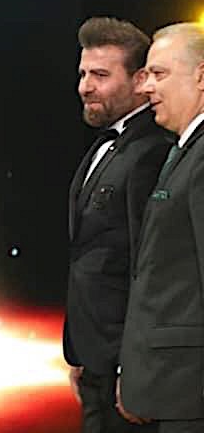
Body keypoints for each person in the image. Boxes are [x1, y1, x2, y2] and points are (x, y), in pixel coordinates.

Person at [64, 17, 172, 432]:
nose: (85, 87)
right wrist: (79, 351)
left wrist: (134, 366)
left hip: (124, 365)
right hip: (96, 358)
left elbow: (150, 269)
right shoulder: (110, 143)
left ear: (139, 80)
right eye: (83, 74)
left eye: (100, 75)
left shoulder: (151, 152)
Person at [118, 22, 204, 431]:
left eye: (159, 74)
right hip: (173, 387)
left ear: (202, 76)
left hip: (191, 393)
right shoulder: (183, 152)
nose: (146, 87)